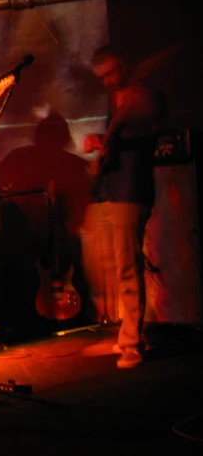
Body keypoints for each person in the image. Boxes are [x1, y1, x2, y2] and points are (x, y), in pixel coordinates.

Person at [82, 45, 164, 369]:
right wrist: (99, 144)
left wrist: (107, 140)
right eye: (101, 77)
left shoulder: (142, 97)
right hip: (115, 190)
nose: (107, 81)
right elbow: (116, 143)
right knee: (120, 266)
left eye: (110, 73)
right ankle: (129, 336)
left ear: (123, 65)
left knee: (128, 267)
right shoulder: (116, 102)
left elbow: (146, 126)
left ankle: (132, 342)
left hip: (132, 190)